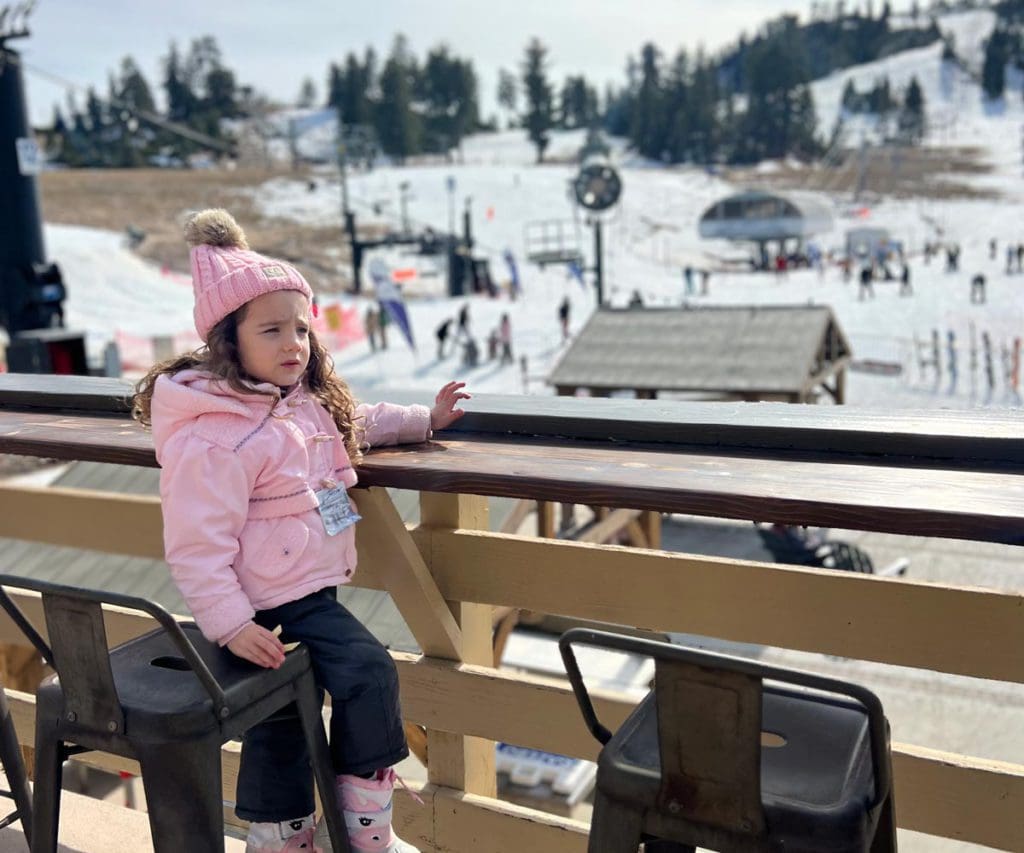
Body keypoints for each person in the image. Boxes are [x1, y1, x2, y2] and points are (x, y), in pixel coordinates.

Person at [132, 209, 470, 853]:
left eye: (302, 329)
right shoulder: (216, 435)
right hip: (268, 605)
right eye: (272, 331)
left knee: (288, 707)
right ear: (229, 341)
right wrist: (232, 623)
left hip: (305, 585)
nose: (295, 345)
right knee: (368, 674)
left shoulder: (297, 401)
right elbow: (196, 544)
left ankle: (278, 834)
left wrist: (423, 418)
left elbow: (355, 421)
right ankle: (359, 830)